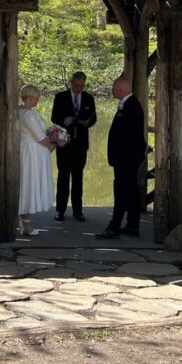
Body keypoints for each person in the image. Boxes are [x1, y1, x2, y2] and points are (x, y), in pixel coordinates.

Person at [96, 76, 147, 239]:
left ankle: (114, 227)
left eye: (113, 87)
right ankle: (132, 226)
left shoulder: (132, 106)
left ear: (121, 89)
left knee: (122, 191)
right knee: (131, 192)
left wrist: (140, 151)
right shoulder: (127, 104)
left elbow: (134, 135)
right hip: (125, 158)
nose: (112, 90)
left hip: (127, 159)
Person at [50, 71, 96, 221]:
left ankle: (78, 211)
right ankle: (60, 210)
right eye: (76, 86)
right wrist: (65, 120)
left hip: (81, 144)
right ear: (71, 82)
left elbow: (94, 118)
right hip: (64, 142)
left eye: (81, 86)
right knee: (63, 177)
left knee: (78, 178)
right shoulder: (60, 97)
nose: (79, 89)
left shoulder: (89, 98)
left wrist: (88, 122)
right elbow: (54, 118)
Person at [18, 84, 56, 236]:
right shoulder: (28, 115)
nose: (38, 101)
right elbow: (40, 137)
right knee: (28, 185)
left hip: (29, 151)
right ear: (31, 97)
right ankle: (26, 223)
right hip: (32, 154)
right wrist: (54, 144)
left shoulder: (20, 112)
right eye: (37, 98)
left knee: (26, 184)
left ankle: (23, 220)